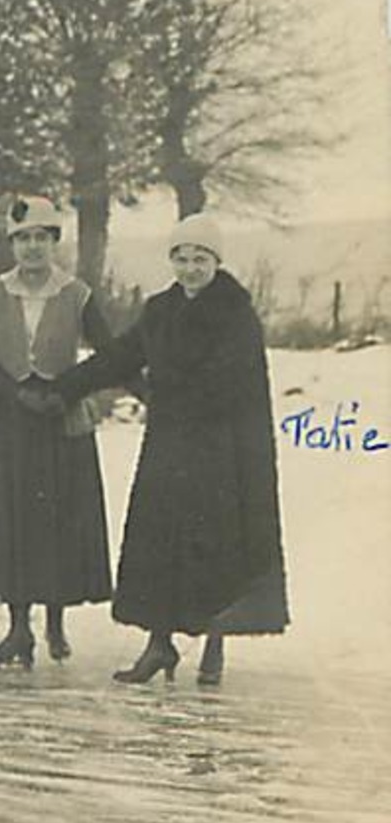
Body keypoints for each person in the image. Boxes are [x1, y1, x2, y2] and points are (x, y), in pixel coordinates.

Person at [54, 213, 288, 685]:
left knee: (213, 544)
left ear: (216, 262)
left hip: (219, 452)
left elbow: (230, 380)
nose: (189, 268)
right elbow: (123, 354)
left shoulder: (234, 313)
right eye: (181, 258)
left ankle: (214, 644)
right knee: (159, 541)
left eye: (200, 259)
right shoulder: (160, 309)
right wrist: (67, 386)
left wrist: (165, 389)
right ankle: (159, 645)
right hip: (168, 446)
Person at [0, 196, 114, 669]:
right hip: (11, 422)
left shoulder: (77, 293)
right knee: (14, 524)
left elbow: (109, 352)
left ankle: (55, 620)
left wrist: (68, 390)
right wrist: (13, 395)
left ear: (54, 242)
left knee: (58, 524)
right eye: (23, 238)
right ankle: (18, 627)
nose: (32, 248)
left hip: (60, 422)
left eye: (41, 238)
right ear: (12, 244)